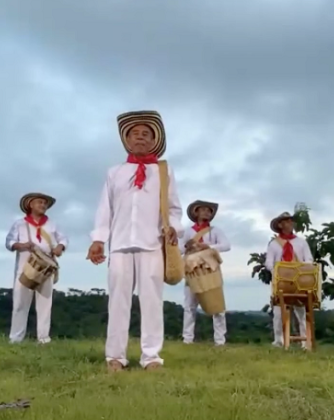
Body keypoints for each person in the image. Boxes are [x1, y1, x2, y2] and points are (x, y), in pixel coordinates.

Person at [87, 110, 183, 372]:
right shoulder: (115, 172)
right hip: (118, 245)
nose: (140, 138)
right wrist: (98, 239)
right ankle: (115, 357)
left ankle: (151, 357)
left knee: (151, 301)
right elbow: (104, 208)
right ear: (126, 141)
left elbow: (174, 208)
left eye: (146, 134)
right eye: (135, 134)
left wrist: (173, 228)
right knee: (118, 301)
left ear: (154, 141)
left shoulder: (163, 171)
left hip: (152, 244)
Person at [6, 192, 68, 344]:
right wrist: (22, 245)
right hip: (25, 266)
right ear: (30, 205)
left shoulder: (53, 224)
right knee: (20, 303)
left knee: (45, 303)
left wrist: (59, 247)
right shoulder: (19, 224)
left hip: (46, 267)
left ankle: (43, 338)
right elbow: (9, 242)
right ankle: (16, 339)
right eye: (39, 202)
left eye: (45, 203)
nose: (43, 205)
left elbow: (63, 239)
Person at [180, 200, 231, 346]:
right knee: (190, 304)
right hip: (193, 270)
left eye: (209, 211)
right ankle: (187, 339)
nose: (207, 213)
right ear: (196, 213)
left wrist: (207, 246)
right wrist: (187, 247)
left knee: (218, 305)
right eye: (203, 210)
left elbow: (226, 245)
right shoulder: (188, 231)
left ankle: (220, 340)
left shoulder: (216, 231)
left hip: (210, 270)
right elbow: (179, 250)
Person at [265, 211, 314, 350]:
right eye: (286, 221)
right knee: (278, 312)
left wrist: (300, 269)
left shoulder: (301, 242)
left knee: (301, 311)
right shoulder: (274, 244)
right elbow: (269, 262)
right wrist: (278, 270)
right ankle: (278, 340)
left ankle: (305, 342)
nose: (289, 223)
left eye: (291, 221)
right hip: (281, 280)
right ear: (280, 225)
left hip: (299, 279)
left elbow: (309, 259)